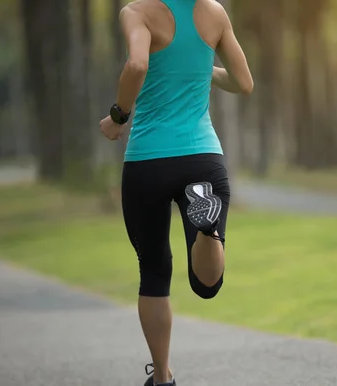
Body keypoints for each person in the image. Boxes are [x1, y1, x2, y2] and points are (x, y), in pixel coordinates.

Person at [99, 0, 253, 384]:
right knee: (206, 286)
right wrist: (201, 69)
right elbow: (243, 82)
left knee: (153, 273)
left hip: (148, 160)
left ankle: (163, 377)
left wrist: (118, 117)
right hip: (202, 158)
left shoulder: (136, 12)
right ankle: (207, 229)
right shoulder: (213, 13)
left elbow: (137, 65)